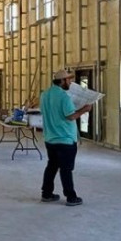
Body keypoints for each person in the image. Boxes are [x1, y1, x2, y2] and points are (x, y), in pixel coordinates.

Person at [38, 68, 92, 206]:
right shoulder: (64, 96)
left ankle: (47, 193)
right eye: (69, 79)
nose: (71, 82)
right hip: (65, 138)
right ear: (62, 81)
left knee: (52, 166)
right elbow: (70, 116)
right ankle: (71, 197)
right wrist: (84, 110)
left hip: (50, 137)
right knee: (66, 169)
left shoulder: (45, 94)